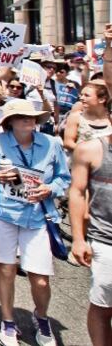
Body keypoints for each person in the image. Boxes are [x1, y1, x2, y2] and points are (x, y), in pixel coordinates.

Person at [0, 99, 71, 346]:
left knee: (40, 277)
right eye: (21, 116)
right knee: (6, 270)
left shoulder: (51, 144)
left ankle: (41, 317)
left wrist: (49, 189)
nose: (28, 120)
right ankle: (7, 321)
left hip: (37, 216)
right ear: (10, 122)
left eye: (31, 116)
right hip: (2, 214)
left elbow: (64, 178)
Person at [70, 124, 112, 346]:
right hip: (105, 240)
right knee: (103, 306)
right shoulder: (89, 150)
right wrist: (78, 238)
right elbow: (77, 191)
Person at [63, 81, 111, 151]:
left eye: (86, 95)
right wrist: (91, 153)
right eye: (81, 94)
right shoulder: (76, 117)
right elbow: (68, 143)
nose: (81, 98)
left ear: (101, 99)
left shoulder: (110, 119)